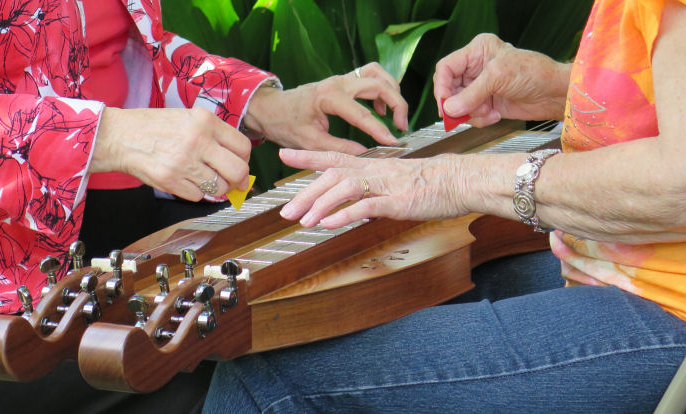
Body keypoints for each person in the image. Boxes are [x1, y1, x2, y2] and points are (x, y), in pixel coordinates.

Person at [203, 0, 686, 412]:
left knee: (267, 376)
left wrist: (450, 178)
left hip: (670, 310)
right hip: (624, 268)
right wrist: (562, 87)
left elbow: (679, 183)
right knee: (413, 293)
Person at [0, 1, 408, 412]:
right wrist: (106, 136)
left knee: (316, 306)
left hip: (126, 227)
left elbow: (123, 47)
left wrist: (261, 105)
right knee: (235, 373)